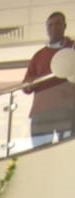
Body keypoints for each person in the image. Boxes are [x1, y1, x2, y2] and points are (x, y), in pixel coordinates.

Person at [24, 11, 75, 146]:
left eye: (58, 24)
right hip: (42, 112)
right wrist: (35, 82)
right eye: (50, 25)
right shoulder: (39, 55)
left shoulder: (73, 48)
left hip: (68, 110)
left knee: (68, 150)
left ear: (64, 26)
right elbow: (25, 86)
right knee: (40, 152)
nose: (54, 28)